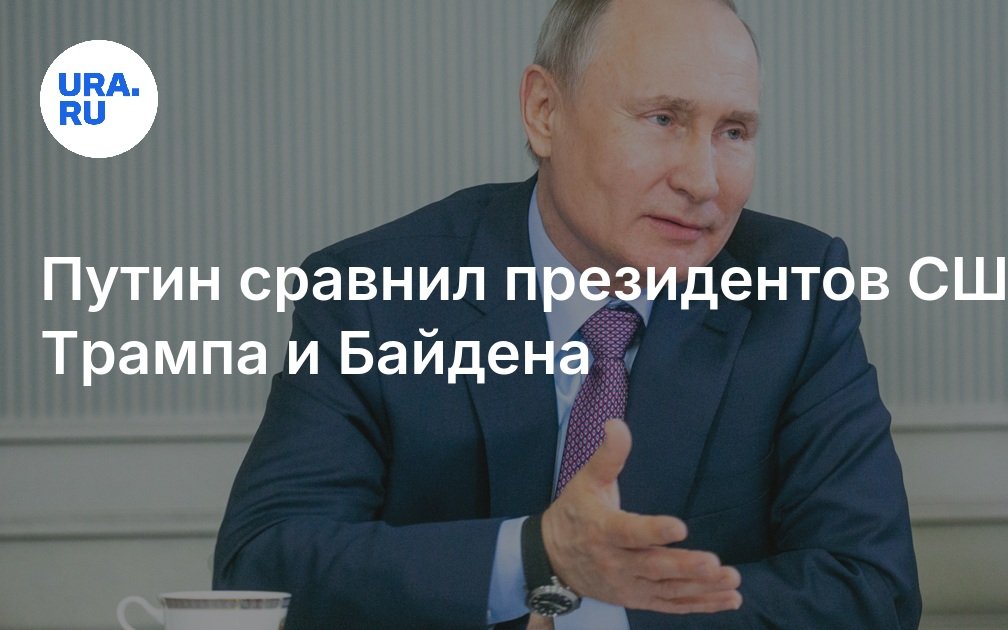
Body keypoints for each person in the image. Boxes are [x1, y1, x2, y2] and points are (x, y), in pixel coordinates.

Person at [213, 0, 921, 627]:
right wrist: (538, 555)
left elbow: (872, 591)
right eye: (663, 119)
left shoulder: (797, 290)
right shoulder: (374, 290)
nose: (703, 181)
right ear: (545, 112)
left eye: (733, 131)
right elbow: (262, 568)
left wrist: (600, 618)